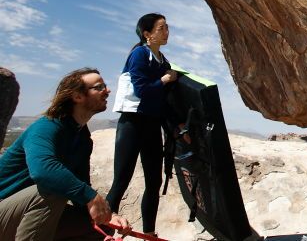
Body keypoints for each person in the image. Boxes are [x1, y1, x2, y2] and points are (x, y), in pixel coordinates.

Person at [0, 67, 132, 241]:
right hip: (6, 210)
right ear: (77, 96)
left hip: (23, 215)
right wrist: (91, 197)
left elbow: (81, 189)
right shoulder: (46, 127)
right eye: (99, 87)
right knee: (53, 190)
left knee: (102, 225)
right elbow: (43, 171)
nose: (107, 91)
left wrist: (109, 216)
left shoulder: (82, 138)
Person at [106, 14, 177, 236]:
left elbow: (165, 99)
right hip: (132, 123)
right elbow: (141, 89)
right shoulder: (139, 54)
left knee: (154, 182)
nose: (167, 32)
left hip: (152, 125)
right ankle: (102, 230)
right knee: (121, 180)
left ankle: (149, 234)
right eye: (162, 28)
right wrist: (165, 80)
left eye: (167, 27)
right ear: (147, 34)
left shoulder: (162, 60)